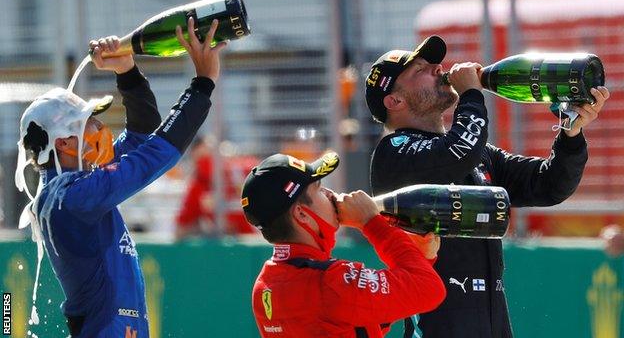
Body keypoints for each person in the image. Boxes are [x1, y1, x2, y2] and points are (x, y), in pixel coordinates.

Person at [364, 35, 609, 337]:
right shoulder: (394, 152)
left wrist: (570, 134)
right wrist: (470, 93)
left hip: (492, 323)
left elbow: (549, 185)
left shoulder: (475, 153)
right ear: (395, 101)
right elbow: (457, 151)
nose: (437, 68)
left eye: (432, 63)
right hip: (437, 326)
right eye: (420, 70)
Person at [15, 17, 226, 337]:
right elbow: (154, 154)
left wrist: (127, 73)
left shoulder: (75, 185)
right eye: (89, 124)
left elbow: (142, 133)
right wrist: (202, 84)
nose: (101, 130)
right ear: (63, 143)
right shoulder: (70, 196)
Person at [240, 151, 446, 337]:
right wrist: (372, 224)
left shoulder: (264, 285)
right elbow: (430, 290)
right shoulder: (329, 281)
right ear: (302, 213)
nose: (331, 194)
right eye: (319, 189)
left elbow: (365, 319)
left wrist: (422, 260)